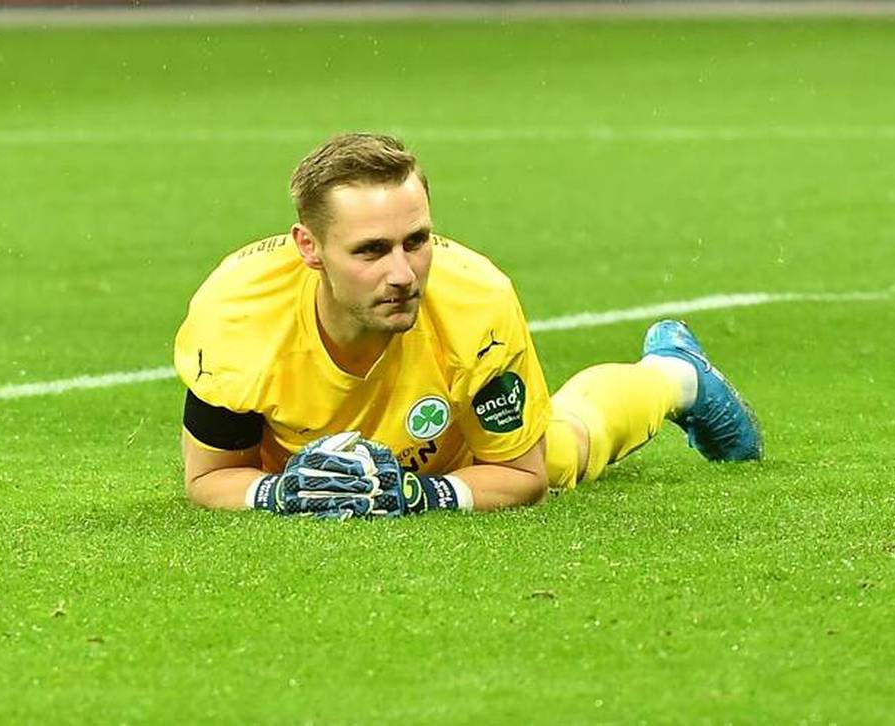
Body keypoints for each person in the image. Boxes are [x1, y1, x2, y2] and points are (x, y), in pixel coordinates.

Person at [174, 133, 762, 519]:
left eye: (417, 241)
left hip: (458, 453)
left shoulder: (476, 303)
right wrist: (277, 493)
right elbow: (211, 479)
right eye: (371, 250)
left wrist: (419, 495)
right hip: (302, 466)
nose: (404, 273)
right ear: (310, 247)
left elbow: (520, 478)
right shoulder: (238, 314)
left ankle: (674, 377)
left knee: (563, 450)